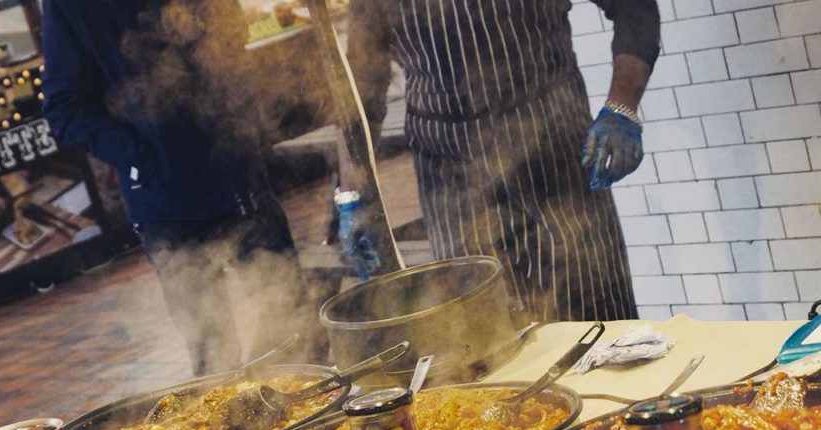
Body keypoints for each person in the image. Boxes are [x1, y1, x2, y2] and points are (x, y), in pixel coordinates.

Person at [42, 0, 325, 376]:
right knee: (213, 352)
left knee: (291, 324)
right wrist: (139, 153)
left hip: (236, 173)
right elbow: (64, 109)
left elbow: (232, 32)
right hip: (163, 202)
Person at [344, 0, 659, 322]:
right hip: (449, 174)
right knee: (482, 331)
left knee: (598, 319)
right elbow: (362, 84)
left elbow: (634, 7)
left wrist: (622, 108)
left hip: (553, 152)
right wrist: (354, 196)